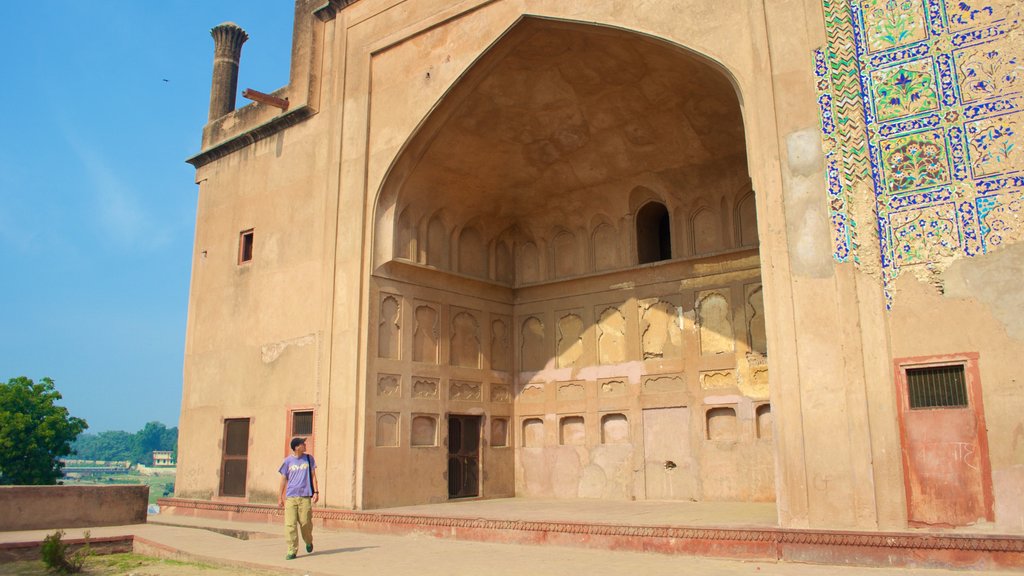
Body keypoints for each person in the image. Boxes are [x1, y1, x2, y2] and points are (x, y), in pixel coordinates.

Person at [278, 436, 319, 559]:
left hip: (305, 497)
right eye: (302, 444)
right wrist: (280, 496)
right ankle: (292, 550)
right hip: (291, 497)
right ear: (296, 447)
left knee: (305, 523)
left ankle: (308, 540)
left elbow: (313, 476)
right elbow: (283, 479)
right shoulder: (287, 461)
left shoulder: (309, 459)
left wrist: (316, 492)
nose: (305, 445)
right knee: (290, 525)